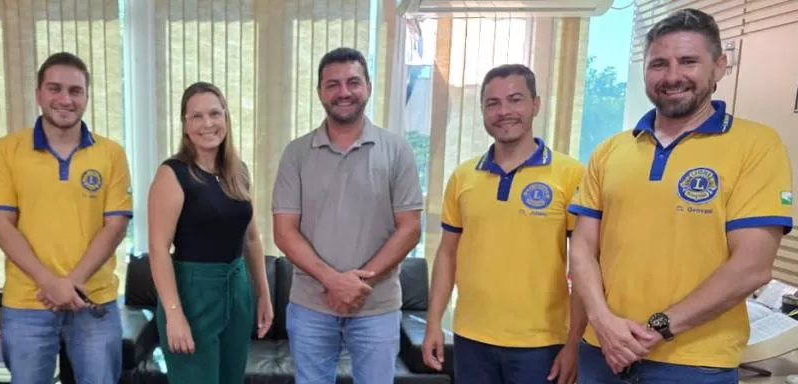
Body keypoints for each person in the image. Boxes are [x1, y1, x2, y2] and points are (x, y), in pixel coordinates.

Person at [567, 8, 794, 383]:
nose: (672, 76)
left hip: (693, 363)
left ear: (719, 66)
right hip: (602, 353)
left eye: (688, 61)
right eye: (659, 64)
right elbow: (582, 249)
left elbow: (752, 266)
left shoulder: (757, 146)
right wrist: (604, 324)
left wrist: (653, 330)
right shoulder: (611, 151)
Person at [420, 64, 587, 384]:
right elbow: (447, 255)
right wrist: (433, 324)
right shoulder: (463, 177)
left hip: (542, 343)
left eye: (515, 99)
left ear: (535, 104)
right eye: (492, 103)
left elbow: (584, 266)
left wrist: (574, 343)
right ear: (482, 110)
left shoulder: (570, 175)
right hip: (471, 337)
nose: (504, 111)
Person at [272, 46, 424, 383]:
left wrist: (357, 283)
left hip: (377, 307)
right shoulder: (296, 154)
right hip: (310, 306)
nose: (344, 92)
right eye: (333, 84)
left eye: (353, 82)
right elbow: (284, 232)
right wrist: (332, 280)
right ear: (319, 93)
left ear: (368, 87)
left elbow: (410, 229)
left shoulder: (397, 150)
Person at [0, 52, 132, 383]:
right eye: (55, 88)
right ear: (38, 94)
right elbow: (0, 225)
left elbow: (116, 226)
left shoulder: (110, 154)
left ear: (86, 98)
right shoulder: (6, 150)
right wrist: (50, 283)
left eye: (75, 91)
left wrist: (71, 283)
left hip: (93, 300)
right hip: (27, 302)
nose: (65, 99)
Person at [147, 81, 274, 384]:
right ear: (185, 125)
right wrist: (174, 314)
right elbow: (158, 249)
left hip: (237, 289)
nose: (208, 124)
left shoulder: (238, 171)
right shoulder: (172, 173)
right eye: (197, 116)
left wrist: (264, 295)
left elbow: (252, 239)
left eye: (215, 114)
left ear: (226, 119)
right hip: (192, 294)